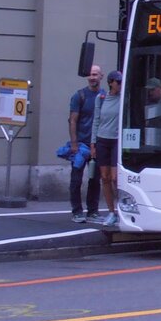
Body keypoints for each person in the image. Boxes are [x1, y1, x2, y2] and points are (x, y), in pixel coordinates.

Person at [67, 65, 103, 223]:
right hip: (81, 146)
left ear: (101, 76)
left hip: (97, 146)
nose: (92, 77)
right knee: (76, 179)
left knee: (94, 180)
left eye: (95, 74)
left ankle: (93, 211)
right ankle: (76, 211)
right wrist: (74, 143)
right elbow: (72, 120)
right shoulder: (79, 96)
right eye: (90, 74)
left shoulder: (105, 96)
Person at [91, 71, 123, 227]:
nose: (120, 84)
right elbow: (96, 120)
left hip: (117, 140)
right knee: (105, 177)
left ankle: (122, 209)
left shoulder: (123, 98)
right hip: (102, 139)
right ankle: (111, 212)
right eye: (118, 82)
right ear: (111, 83)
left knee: (116, 177)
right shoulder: (101, 98)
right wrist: (93, 143)